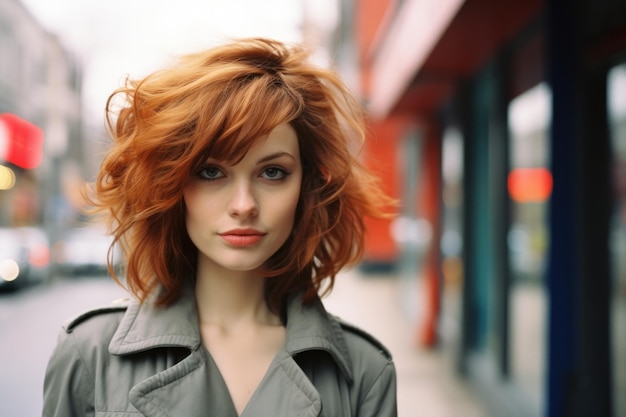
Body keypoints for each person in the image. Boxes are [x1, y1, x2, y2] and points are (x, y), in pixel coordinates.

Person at [43, 37, 397, 417]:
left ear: (307, 186)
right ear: (172, 185)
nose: (243, 205)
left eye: (273, 172)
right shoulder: (89, 353)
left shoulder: (364, 372)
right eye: (211, 172)